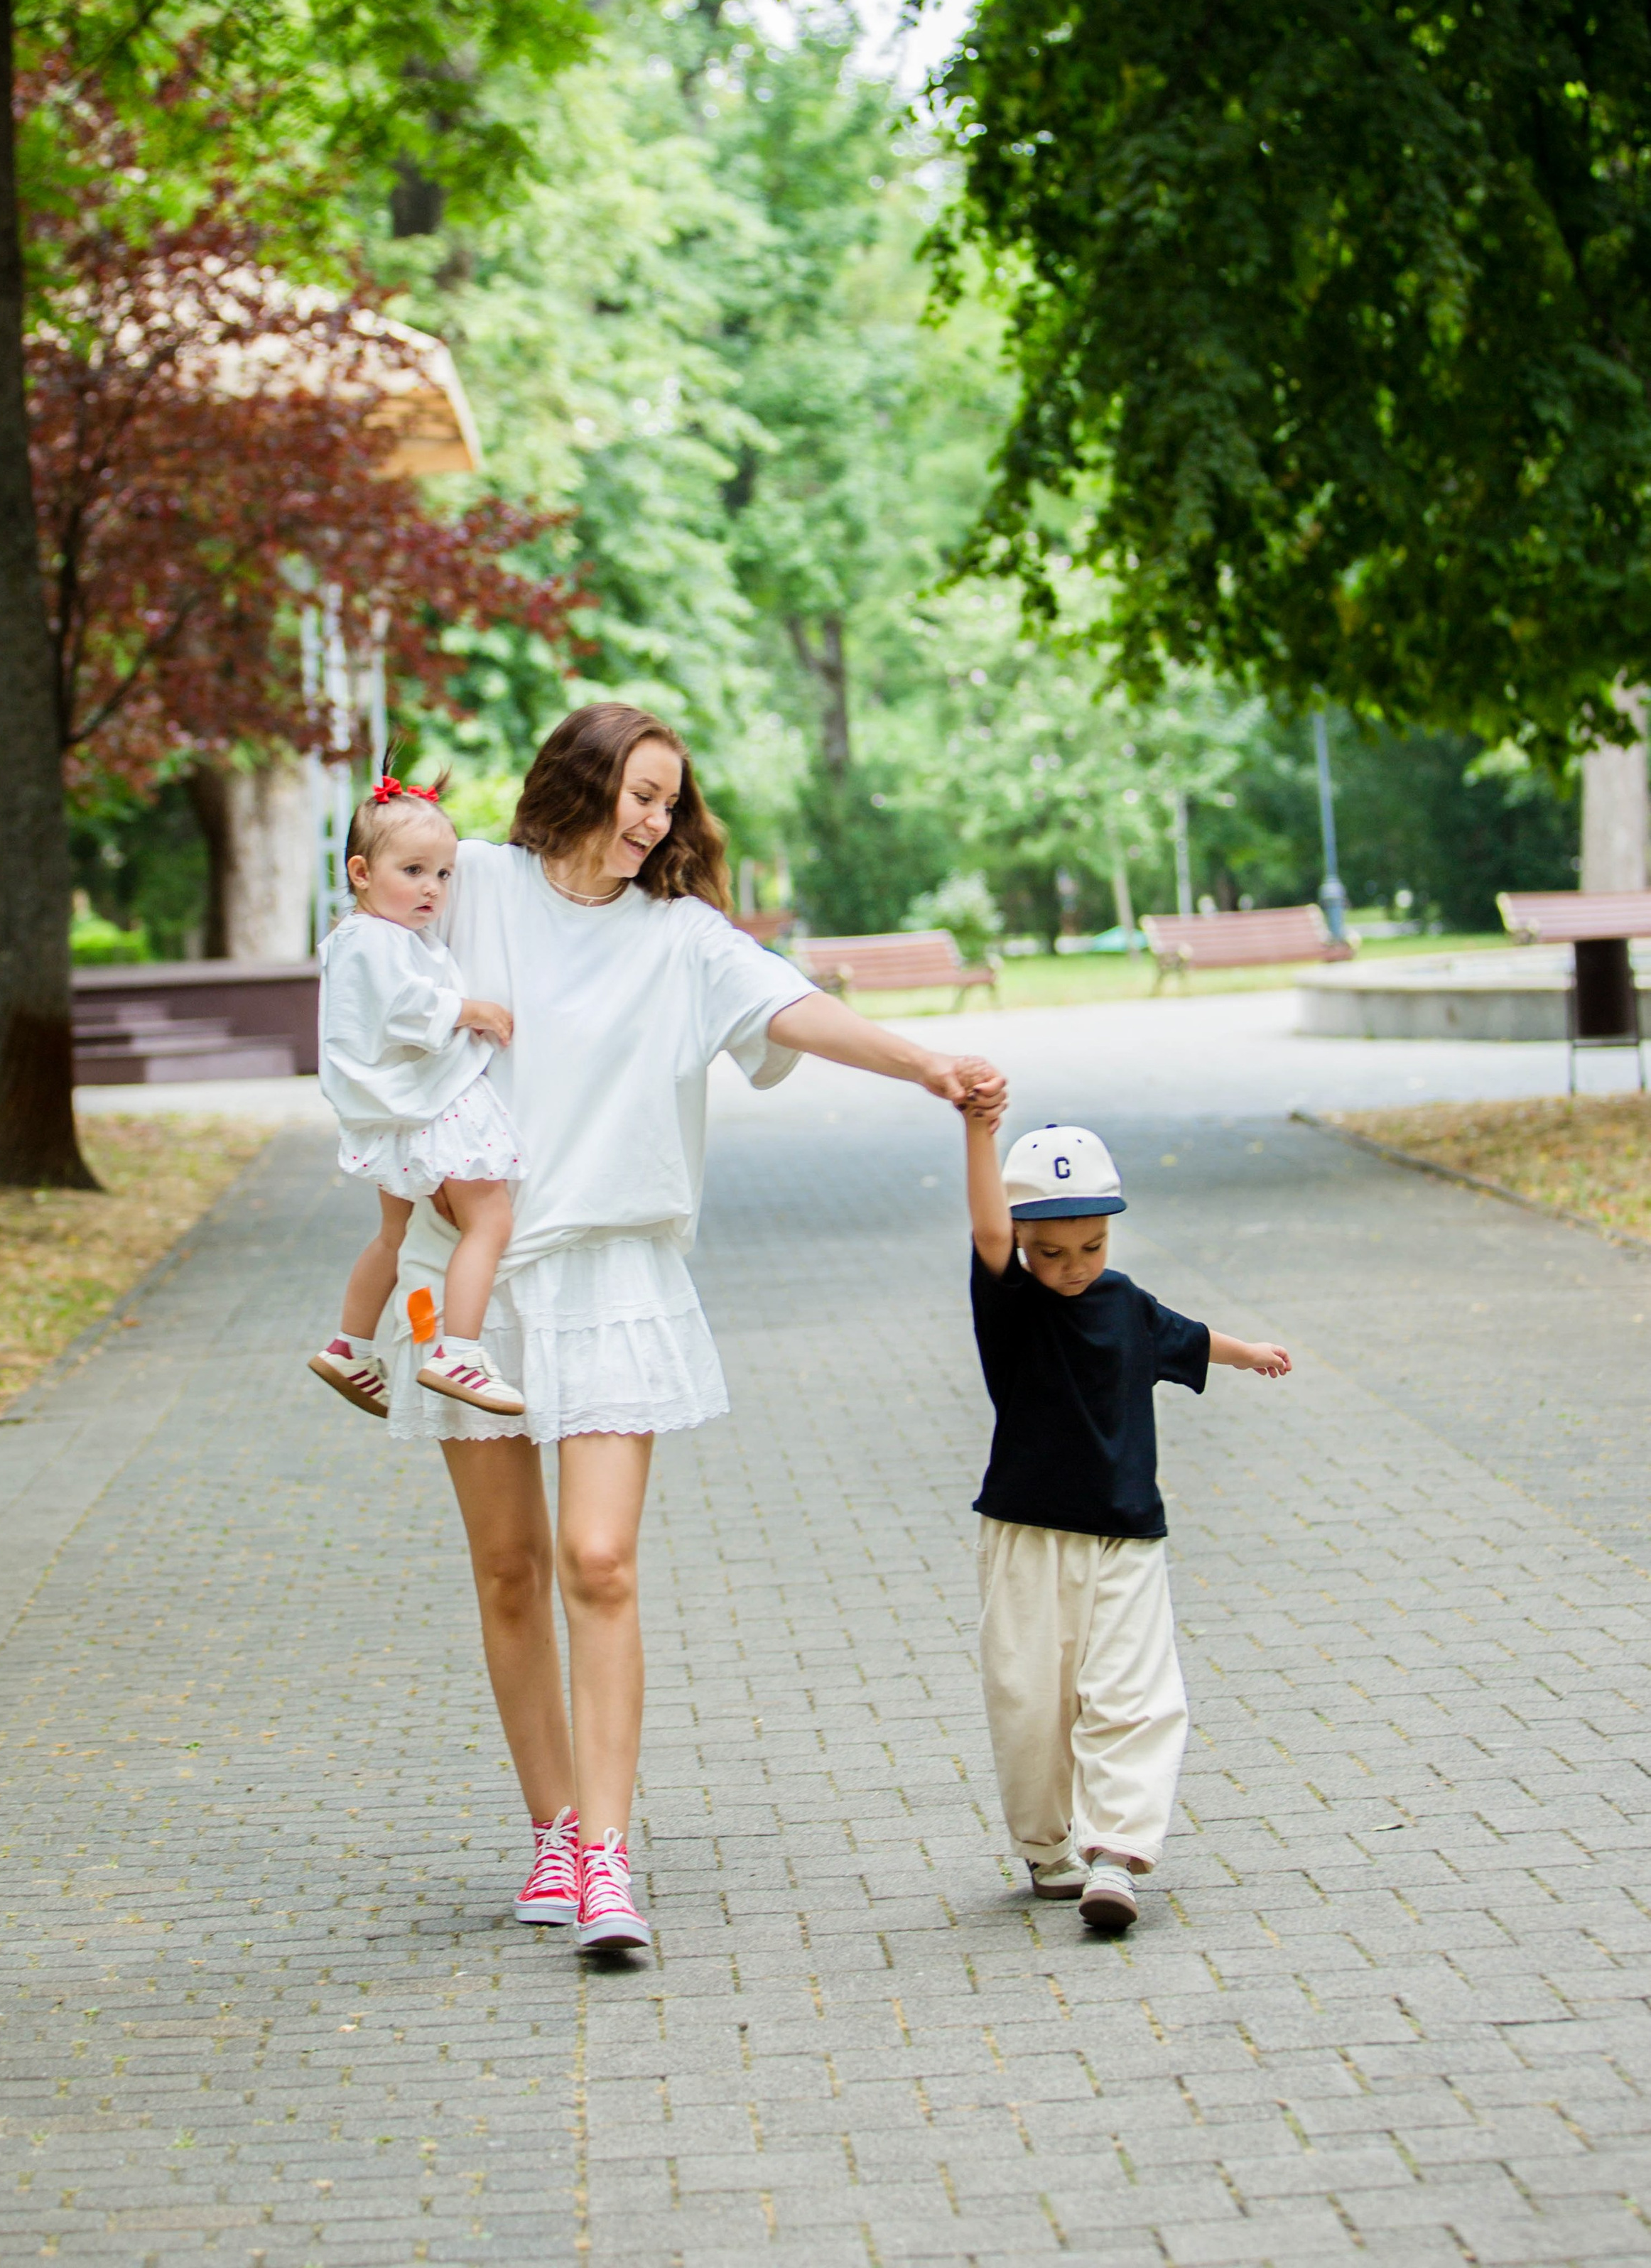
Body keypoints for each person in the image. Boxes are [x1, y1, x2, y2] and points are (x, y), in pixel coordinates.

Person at [380, 702, 1007, 1955]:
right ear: (579, 782)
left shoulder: (682, 939)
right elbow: (370, 949)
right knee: (508, 1570)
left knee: (598, 1560)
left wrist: (929, 1067)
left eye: (670, 802)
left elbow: (798, 1011)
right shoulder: (477, 886)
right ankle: (554, 1834)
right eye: (639, 793)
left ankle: (608, 1862)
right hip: (470, 1275)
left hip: (615, 1272)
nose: (655, 820)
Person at [964, 1109, 1290, 1933]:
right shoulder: (1011, 1306)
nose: (1073, 1266)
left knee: (1133, 1693)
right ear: (1021, 1242)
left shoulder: (1125, 1304)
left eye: (1091, 1246)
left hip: (1127, 1534)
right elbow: (986, 1230)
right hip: (1028, 1536)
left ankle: (1115, 1854)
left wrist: (1248, 1352)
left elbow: (1188, 1338)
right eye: (1050, 1252)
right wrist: (977, 1130)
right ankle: (1048, 1851)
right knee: (1030, 1700)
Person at [310, 774, 527, 1422]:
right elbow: (403, 1009)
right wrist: (472, 1010)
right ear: (361, 873)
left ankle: (350, 1345)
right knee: (489, 1221)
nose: (432, 887)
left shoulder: (376, 937)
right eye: (413, 871)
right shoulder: (373, 940)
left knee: (397, 1233)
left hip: (398, 1111)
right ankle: (459, 1351)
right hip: (434, 1104)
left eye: (443, 873)